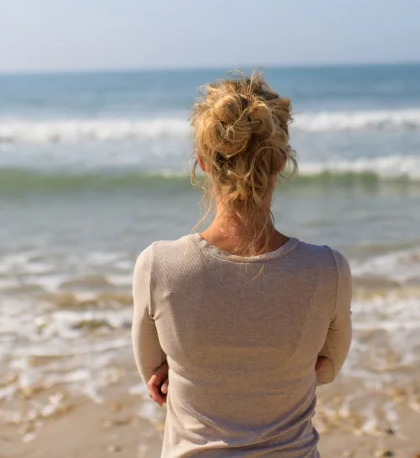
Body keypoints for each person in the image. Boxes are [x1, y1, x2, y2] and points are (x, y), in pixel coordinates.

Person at [132, 72, 352, 457]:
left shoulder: (159, 266)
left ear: (202, 162)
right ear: (281, 161)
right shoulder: (326, 269)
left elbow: (154, 378)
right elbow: (327, 370)